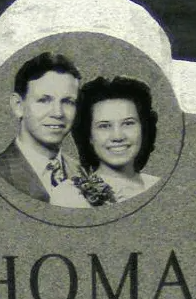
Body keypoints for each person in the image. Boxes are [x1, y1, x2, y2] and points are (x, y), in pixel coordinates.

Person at [0, 52, 82, 202]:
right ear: (18, 106)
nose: (58, 113)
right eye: (44, 100)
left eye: (68, 101)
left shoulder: (82, 172)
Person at [62, 76, 160, 207]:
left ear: (143, 129)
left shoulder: (159, 186)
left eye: (128, 123)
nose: (117, 136)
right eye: (104, 126)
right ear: (89, 135)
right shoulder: (69, 195)